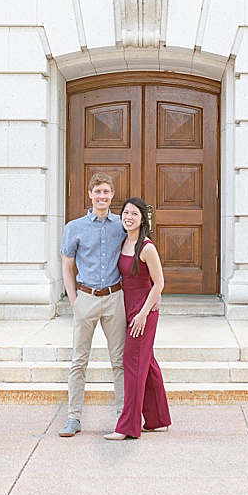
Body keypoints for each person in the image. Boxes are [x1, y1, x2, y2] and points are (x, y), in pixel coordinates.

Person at [58, 173, 126, 438]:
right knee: (79, 360)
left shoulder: (122, 225)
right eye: (97, 191)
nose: (102, 196)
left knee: (119, 362)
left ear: (112, 195)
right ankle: (74, 417)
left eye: (106, 192)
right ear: (90, 194)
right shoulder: (74, 228)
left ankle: (122, 416)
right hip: (85, 297)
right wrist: (74, 301)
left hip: (114, 298)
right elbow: (67, 267)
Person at [104, 196, 172, 440]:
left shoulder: (147, 247)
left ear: (143, 219)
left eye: (134, 214)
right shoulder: (123, 242)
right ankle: (157, 419)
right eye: (125, 213)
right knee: (147, 363)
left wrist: (144, 313)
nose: (128, 217)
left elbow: (159, 283)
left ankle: (127, 427)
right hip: (126, 307)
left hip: (143, 312)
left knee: (132, 365)